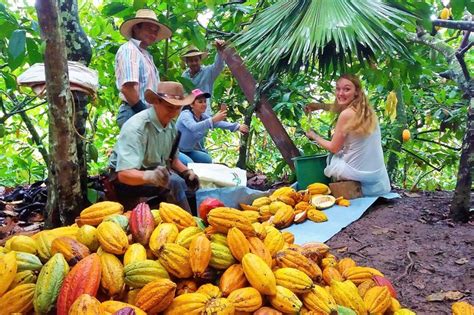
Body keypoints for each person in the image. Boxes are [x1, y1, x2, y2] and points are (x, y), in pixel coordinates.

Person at [108, 81, 199, 212]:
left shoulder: (171, 127)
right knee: (174, 184)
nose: (174, 113)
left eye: (177, 108)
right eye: (169, 107)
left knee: (189, 188)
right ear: (156, 102)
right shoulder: (137, 128)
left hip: (153, 172)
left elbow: (173, 159)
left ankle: (188, 223)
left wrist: (187, 173)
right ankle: (186, 224)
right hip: (125, 180)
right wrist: (150, 176)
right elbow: (124, 174)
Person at [305, 74, 390, 196]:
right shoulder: (366, 111)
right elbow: (340, 107)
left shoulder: (346, 115)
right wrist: (320, 106)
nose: (340, 93)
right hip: (377, 175)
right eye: (338, 89)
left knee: (332, 158)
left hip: (358, 174)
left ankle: (342, 188)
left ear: (356, 92)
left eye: (346, 89)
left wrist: (314, 135)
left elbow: (334, 148)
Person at [114, 9, 172, 128]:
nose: (153, 33)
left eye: (156, 31)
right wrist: (146, 115)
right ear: (136, 28)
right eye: (149, 28)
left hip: (144, 113)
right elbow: (128, 88)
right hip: (134, 112)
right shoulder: (130, 50)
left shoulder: (146, 55)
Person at [176, 89, 249, 165]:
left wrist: (238, 126)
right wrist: (213, 119)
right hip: (176, 151)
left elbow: (218, 123)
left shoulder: (202, 116)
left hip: (189, 151)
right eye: (200, 102)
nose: (204, 104)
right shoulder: (185, 114)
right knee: (189, 164)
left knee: (207, 159)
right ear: (191, 104)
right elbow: (193, 127)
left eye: (205, 101)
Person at [181, 40, 226, 115]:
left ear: (200, 60)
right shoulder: (184, 75)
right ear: (187, 63)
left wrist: (220, 51)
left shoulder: (208, 71)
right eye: (191, 61)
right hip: (188, 112)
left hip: (204, 112)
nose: (194, 63)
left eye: (196, 60)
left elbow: (219, 66)